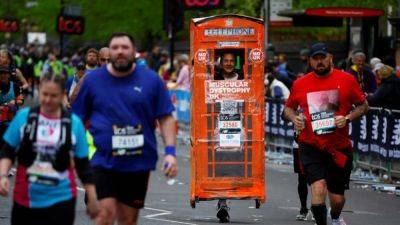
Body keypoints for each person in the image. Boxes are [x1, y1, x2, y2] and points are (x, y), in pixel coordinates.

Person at [72, 32, 177, 225]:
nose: (120, 52)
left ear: (134, 52)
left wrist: (170, 152)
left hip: (137, 162)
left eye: (125, 47)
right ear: (108, 53)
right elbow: (76, 119)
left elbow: (166, 118)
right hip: (103, 161)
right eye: (115, 48)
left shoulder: (152, 81)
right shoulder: (93, 81)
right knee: (105, 214)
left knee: (128, 220)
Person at [283, 43, 369, 225]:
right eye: (316, 58)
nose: (320, 62)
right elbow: (288, 109)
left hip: (338, 147)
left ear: (331, 58)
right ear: (310, 61)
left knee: (337, 199)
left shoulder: (346, 80)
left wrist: (347, 118)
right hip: (311, 145)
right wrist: (294, 119)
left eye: (323, 57)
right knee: (318, 187)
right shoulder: (300, 83)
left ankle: (336, 216)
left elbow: (364, 106)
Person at [0, 73, 99, 225]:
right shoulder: (23, 117)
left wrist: (92, 198)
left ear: (62, 96)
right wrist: (3, 176)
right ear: (39, 92)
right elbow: (8, 150)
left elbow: (83, 164)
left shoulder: (74, 124)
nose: (47, 100)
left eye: (53, 96)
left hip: (62, 199)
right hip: (26, 199)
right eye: (44, 94)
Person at [0, 66, 24, 137]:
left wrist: (15, 102)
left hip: (11, 120)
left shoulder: (15, 86)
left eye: (5, 73)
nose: (3, 75)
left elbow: (21, 101)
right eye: (1, 73)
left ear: (9, 75)